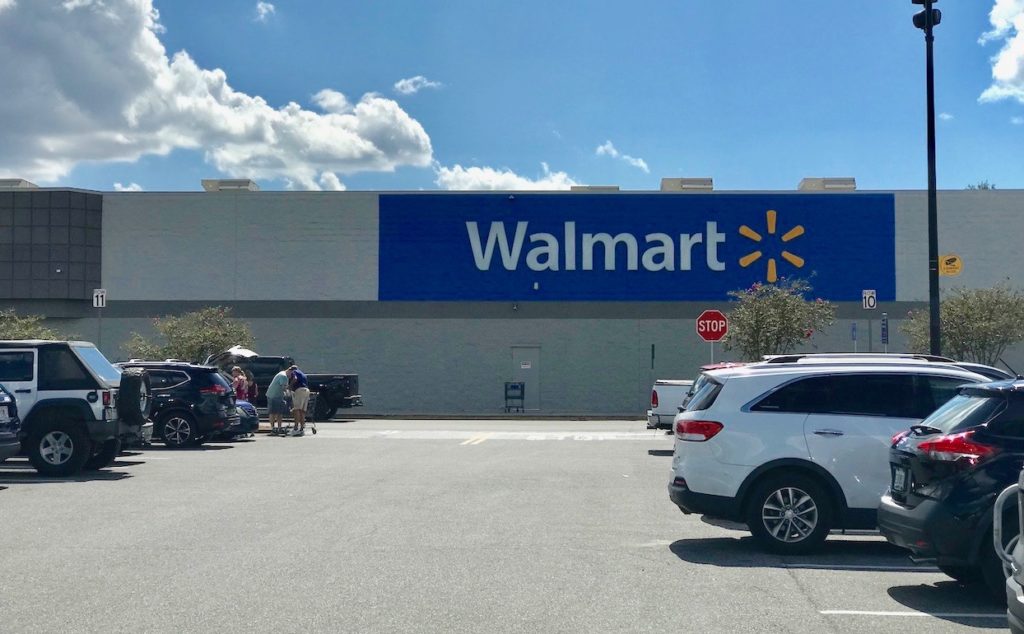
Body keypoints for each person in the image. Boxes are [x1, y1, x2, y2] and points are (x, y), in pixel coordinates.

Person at [266, 368, 290, 436]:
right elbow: (283, 388)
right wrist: (289, 393)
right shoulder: (283, 376)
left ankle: (278, 428)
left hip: (278, 395)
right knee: (273, 412)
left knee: (279, 412)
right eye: (291, 373)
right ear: (289, 371)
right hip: (273, 395)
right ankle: (274, 428)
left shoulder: (282, 374)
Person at [288, 364, 310, 436]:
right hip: (306, 391)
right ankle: (302, 427)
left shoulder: (294, 372)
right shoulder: (303, 374)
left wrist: (290, 386)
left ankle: (296, 428)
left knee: (296, 409)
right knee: (302, 410)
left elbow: (295, 378)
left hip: (299, 390)